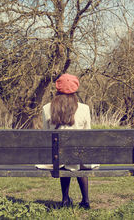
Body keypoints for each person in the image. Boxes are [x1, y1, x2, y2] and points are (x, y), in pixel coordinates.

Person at [41, 73, 94, 209]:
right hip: (79, 156)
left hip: (57, 158)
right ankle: (85, 200)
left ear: (58, 89)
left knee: (62, 158)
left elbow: (46, 135)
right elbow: (88, 135)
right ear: (75, 89)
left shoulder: (47, 108)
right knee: (77, 159)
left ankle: (65, 199)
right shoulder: (84, 108)